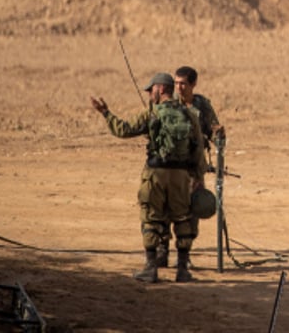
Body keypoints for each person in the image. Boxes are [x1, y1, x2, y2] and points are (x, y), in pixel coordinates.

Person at [90, 72, 204, 283]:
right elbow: (198, 149)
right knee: (183, 220)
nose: (150, 94)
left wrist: (105, 113)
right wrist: (196, 177)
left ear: (161, 89)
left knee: (151, 218)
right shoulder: (189, 115)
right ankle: (182, 271)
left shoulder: (151, 114)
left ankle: (151, 269)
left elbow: (123, 130)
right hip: (181, 176)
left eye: (151, 90)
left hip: (155, 174)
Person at [173, 65, 224, 268]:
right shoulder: (169, 104)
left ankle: (184, 255)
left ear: (193, 84)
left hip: (194, 168)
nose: (179, 88)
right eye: (176, 83)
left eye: (183, 83)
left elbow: (214, 130)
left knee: (192, 210)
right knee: (165, 209)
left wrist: (219, 133)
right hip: (171, 166)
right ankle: (159, 253)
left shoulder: (201, 106)